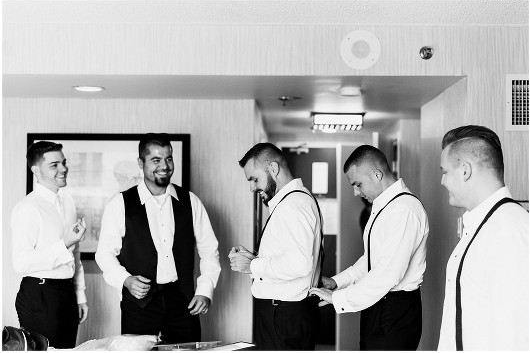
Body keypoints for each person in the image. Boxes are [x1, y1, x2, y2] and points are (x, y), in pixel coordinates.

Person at [95, 133, 221, 344]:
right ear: (140, 163)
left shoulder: (191, 201)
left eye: (168, 158)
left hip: (183, 302)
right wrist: (126, 280)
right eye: (156, 160)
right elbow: (104, 254)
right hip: (138, 304)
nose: (165, 165)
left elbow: (209, 250)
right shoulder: (120, 204)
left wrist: (205, 290)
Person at [309, 145, 429, 350]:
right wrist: (336, 283)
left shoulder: (404, 210)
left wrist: (338, 298)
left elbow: (387, 274)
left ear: (377, 174)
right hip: (379, 306)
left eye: (358, 184)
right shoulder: (385, 206)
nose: (356, 192)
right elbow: (371, 260)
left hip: (394, 312)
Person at [437, 125, 529, 350]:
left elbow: (516, 333)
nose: (442, 181)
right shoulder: (484, 224)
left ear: (465, 171)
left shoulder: (509, 230)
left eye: (445, 171)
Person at [229, 143, 323, 350]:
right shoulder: (296, 200)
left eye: (254, 179)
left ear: (273, 169)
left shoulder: (292, 205)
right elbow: (290, 255)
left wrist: (252, 267)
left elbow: (299, 264)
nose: (252, 188)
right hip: (287, 315)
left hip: (283, 317)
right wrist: (254, 259)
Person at [11, 141, 89, 348]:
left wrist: (80, 295)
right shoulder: (28, 208)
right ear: (36, 170)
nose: (63, 169)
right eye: (54, 165)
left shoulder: (68, 201)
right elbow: (21, 264)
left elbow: (75, 251)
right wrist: (64, 244)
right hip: (39, 294)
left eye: (63, 163)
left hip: (66, 293)